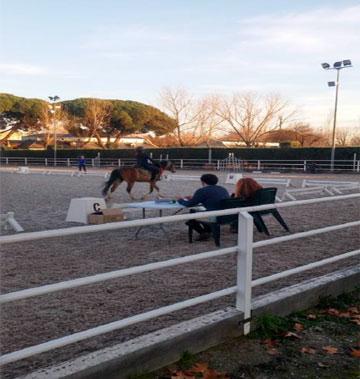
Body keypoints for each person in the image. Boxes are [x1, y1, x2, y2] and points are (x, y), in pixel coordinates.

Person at [177, 174, 230, 241]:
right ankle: (208, 231)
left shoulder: (202, 190)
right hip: (225, 216)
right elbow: (212, 198)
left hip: (213, 217)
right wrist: (194, 198)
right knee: (201, 212)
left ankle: (203, 232)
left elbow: (189, 204)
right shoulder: (223, 189)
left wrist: (180, 200)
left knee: (191, 217)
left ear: (203, 182)